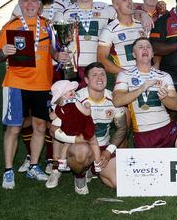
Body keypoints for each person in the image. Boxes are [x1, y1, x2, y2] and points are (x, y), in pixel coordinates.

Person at [0, 0, 69, 189]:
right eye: (25, 1)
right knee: (14, 127)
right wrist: (3, 52)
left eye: (34, 1)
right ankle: (8, 170)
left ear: (40, 5)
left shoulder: (47, 25)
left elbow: (53, 50)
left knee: (40, 127)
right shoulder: (10, 26)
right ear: (20, 4)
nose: (29, 5)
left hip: (42, 84)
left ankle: (33, 166)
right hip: (16, 84)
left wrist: (58, 56)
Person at [113, 37, 177, 148]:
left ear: (152, 54)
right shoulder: (125, 75)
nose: (145, 49)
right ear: (134, 54)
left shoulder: (164, 76)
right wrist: (141, 88)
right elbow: (117, 101)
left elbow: (176, 106)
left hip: (167, 129)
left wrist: (165, 98)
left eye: (148, 47)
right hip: (144, 134)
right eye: (140, 47)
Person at [52, 62, 127, 193]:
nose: (100, 78)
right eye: (94, 75)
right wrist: (75, 140)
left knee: (118, 182)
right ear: (86, 80)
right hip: (80, 144)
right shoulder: (74, 98)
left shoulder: (114, 100)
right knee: (81, 152)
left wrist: (109, 151)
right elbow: (53, 129)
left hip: (102, 147)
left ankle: (92, 170)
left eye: (102, 74)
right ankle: (79, 176)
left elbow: (122, 129)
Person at [48, 80, 101, 177]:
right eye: (69, 91)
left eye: (72, 90)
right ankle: (97, 164)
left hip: (68, 129)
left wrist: (54, 111)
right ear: (62, 95)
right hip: (82, 128)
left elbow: (51, 117)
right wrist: (87, 106)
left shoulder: (58, 106)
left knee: (66, 144)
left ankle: (62, 163)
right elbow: (86, 113)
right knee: (94, 143)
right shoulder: (75, 102)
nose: (72, 92)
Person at [97, 0, 146, 75]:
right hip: (125, 82)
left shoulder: (141, 25)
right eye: (124, 0)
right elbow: (101, 59)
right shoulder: (109, 30)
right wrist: (127, 74)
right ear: (116, 5)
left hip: (145, 76)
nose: (130, 2)